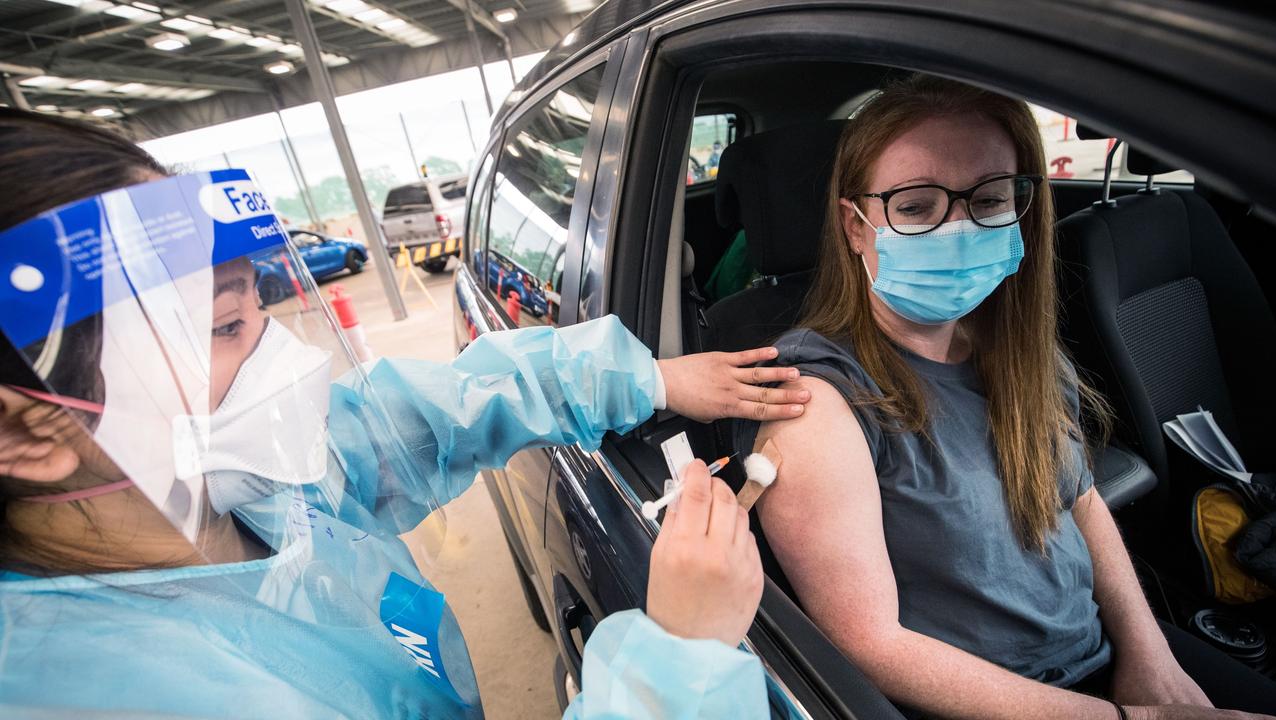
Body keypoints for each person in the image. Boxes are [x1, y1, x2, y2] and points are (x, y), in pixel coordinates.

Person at [0, 108, 795, 718]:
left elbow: (436, 413)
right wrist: (674, 669)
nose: (287, 363)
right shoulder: (103, 695)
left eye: (255, 309)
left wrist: (646, 377)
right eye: (219, 329)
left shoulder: (254, 489)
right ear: (25, 432)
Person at [736, 74, 1276, 720]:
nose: (959, 230)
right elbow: (872, 645)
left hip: (1098, 660)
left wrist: (1150, 657)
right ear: (855, 227)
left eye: (989, 200)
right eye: (915, 208)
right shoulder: (816, 405)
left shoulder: (1018, 352)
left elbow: (1079, 500)